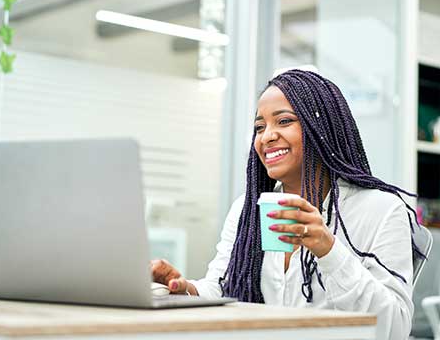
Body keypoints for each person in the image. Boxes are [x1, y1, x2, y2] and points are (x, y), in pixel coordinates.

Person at [151, 67, 424, 340]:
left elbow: (394, 329)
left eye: (283, 121)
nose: (267, 135)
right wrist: (185, 291)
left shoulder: (381, 211)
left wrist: (329, 251)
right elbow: (222, 290)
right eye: (259, 127)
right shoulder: (247, 211)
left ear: (321, 128)